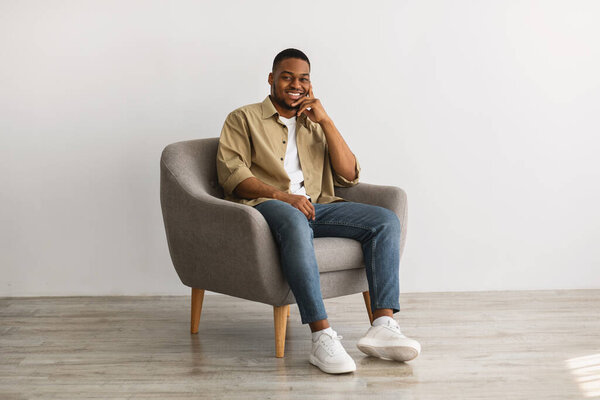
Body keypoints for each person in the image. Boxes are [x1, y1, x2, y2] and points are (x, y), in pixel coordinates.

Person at [216, 48, 421, 374]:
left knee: (384, 220)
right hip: (269, 206)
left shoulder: (313, 124)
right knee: (295, 220)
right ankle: (321, 335)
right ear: (271, 80)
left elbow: (349, 174)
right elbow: (233, 176)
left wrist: (325, 120)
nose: (295, 84)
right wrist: (284, 197)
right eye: (287, 77)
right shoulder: (243, 118)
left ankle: (383, 326)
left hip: (319, 207)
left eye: (303, 79)